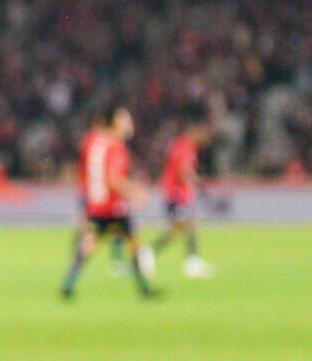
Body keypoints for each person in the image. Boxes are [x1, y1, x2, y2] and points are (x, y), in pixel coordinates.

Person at [62, 107, 157, 300]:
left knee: (91, 242)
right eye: (126, 120)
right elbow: (113, 178)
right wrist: (135, 192)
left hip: (96, 202)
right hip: (112, 205)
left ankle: (68, 284)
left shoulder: (97, 142)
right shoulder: (116, 146)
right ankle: (145, 289)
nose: (130, 124)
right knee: (134, 242)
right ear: (114, 122)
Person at [150, 118, 214, 279]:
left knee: (181, 227)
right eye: (204, 135)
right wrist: (198, 182)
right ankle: (190, 263)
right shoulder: (186, 147)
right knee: (183, 226)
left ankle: (190, 261)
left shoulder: (178, 144)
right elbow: (183, 171)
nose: (206, 139)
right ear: (196, 132)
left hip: (174, 192)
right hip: (177, 193)